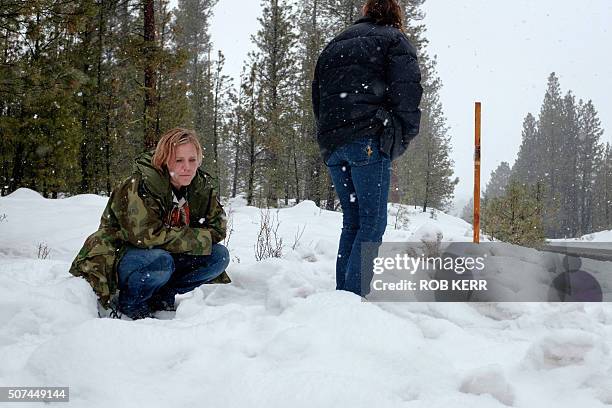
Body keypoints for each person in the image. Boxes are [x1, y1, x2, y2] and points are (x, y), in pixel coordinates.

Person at [312, 0, 423, 296]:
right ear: (395, 14)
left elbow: (318, 96)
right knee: (372, 222)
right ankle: (352, 299)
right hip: (367, 140)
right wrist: (399, 135)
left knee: (353, 220)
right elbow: (407, 94)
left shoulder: (336, 43)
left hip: (334, 144)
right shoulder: (394, 40)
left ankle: (341, 296)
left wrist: (329, 137)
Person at [69, 128, 231, 319]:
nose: (187, 167)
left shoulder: (198, 188)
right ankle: (131, 302)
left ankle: (162, 295)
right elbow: (144, 236)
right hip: (121, 256)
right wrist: (197, 237)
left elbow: (218, 227)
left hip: (163, 254)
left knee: (218, 256)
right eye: (179, 160)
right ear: (164, 160)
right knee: (160, 261)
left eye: (192, 160)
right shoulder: (140, 185)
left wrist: (187, 237)